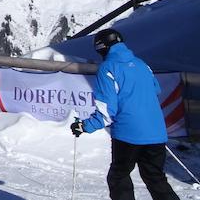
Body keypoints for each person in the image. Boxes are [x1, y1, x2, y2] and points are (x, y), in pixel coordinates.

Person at [70, 29, 179, 200]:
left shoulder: (108, 68)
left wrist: (85, 126)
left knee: (119, 177)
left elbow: (107, 110)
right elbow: (156, 90)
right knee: (155, 178)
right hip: (156, 132)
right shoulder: (142, 64)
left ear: (101, 48)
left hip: (129, 133)